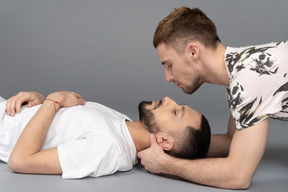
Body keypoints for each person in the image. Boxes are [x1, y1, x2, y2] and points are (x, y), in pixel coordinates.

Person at [137, 6, 288, 189]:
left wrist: (165, 164)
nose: (167, 77)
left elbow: (238, 176)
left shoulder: (248, 80)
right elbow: (233, 140)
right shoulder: (239, 68)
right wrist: (166, 146)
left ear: (193, 51)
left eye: (169, 65)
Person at [0, 91, 210, 179]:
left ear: (164, 141)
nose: (168, 99)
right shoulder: (123, 123)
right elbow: (60, 124)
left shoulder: (109, 148)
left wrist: (52, 101)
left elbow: (21, 161)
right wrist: (39, 100)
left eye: (175, 112)